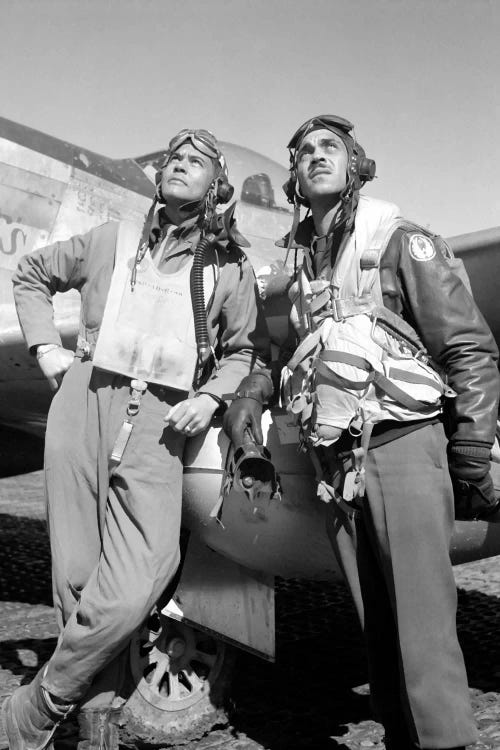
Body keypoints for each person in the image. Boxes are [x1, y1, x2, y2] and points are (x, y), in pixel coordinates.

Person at [224, 115, 500, 750]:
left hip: (404, 445)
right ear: (292, 176)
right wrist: (248, 401)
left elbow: (468, 347)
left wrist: (473, 449)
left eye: (330, 148)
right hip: (334, 465)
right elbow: (277, 358)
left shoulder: (400, 241)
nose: (316, 158)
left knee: (423, 627)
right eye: (303, 153)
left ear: (356, 165)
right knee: (378, 631)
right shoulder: (291, 268)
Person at [3, 128, 269, 750]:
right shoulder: (111, 239)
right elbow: (33, 272)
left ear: (216, 186)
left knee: (144, 572)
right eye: (173, 158)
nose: (178, 165)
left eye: (195, 162)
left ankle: (42, 702)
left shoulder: (232, 268)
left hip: (162, 419)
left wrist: (209, 397)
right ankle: (97, 722)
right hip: (83, 401)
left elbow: (242, 351)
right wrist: (45, 346)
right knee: (75, 576)